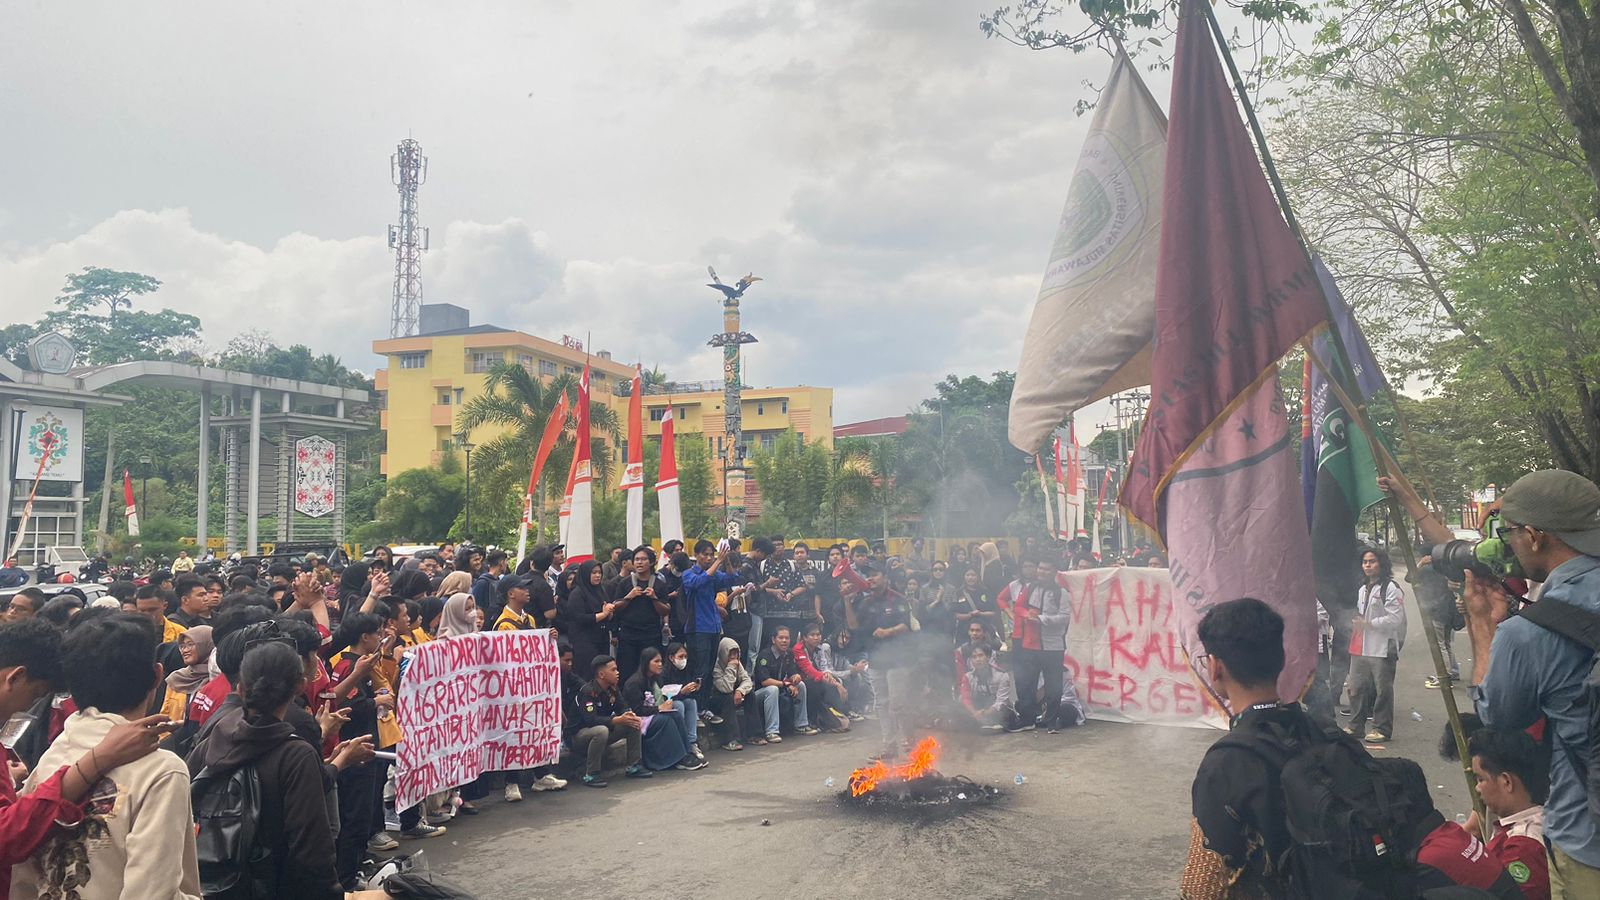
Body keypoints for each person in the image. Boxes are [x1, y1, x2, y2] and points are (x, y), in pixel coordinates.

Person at [10, 613, 200, 900]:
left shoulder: (57, 751)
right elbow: (151, 892)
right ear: (158, 676)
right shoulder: (161, 770)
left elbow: (21, 875)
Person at [184, 642, 350, 900]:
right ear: (300, 686)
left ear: (239, 688)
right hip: (274, 887)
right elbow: (312, 850)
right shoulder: (296, 755)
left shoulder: (211, 742)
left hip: (210, 884)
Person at [1181, 597, 1310, 898]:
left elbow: (1202, 886)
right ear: (1280, 660)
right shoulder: (1319, 731)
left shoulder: (1227, 763)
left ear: (1215, 668)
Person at [1466, 728, 1551, 900]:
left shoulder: (1523, 848)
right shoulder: (1544, 818)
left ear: (1506, 782)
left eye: (1481, 779)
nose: (1477, 788)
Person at [850, 566, 912, 761]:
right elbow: (853, 626)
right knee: (881, 703)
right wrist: (846, 601)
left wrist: (888, 632)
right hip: (876, 659)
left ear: (884, 576)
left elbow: (906, 626)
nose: (871, 578)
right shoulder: (865, 602)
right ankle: (889, 744)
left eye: (875, 574)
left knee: (898, 703)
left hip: (898, 658)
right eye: (868, 576)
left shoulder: (897, 599)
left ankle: (909, 741)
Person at [1346, 546, 1406, 743]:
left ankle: (1382, 728)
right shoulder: (1362, 589)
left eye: (1372, 561)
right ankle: (1356, 726)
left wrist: (1369, 624)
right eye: (1365, 562)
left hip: (1383, 646)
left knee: (1383, 690)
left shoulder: (1390, 588)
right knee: (1356, 687)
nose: (1368, 565)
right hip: (1361, 645)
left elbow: (1395, 618)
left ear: (1381, 563)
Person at [622, 647, 705, 771]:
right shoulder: (634, 683)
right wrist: (659, 708)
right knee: (665, 720)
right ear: (646, 662)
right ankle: (678, 758)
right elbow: (637, 710)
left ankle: (687, 752)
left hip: (653, 713)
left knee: (676, 714)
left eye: (661, 661)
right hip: (641, 719)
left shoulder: (654, 680)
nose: (660, 664)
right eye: (656, 661)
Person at [573, 655, 650, 787]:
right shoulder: (588, 692)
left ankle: (634, 766)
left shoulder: (612, 689)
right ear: (601, 674)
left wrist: (629, 715)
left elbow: (622, 707)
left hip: (603, 732)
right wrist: (617, 719)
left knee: (632, 722)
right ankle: (591, 774)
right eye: (613, 670)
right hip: (579, 736)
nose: (617, 673)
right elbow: (591, 720)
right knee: (601, 731)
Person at [681, 541, 740, 707]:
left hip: (714, 627)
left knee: (709, 670)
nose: (708, 558)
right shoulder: (689, 573)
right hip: (697, 628)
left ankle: (704, 706)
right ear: (697, 555)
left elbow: (731, 579)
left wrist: (727, 560)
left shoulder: (715, 573)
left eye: (711, 554)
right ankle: (695, 706)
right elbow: (698, 582)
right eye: (705, 554)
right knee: (699, 669)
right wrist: (717, 562)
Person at [610, 546, 671, 683]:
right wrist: (629, 597)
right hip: (628, 636)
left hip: (651, 635)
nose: (639, 562)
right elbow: (615, 606)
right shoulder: (625, 583)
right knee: (626, 671)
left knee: (650, 672)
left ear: (651, 562)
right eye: (636, 559)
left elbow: (666, 610)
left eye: (643, 559)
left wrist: (654, 598)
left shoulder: (660, 584)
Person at [751, 625, 816, 741]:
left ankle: (801, 725)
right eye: (781, 638)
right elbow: (765, 681)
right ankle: (771, 731)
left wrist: (796, 677)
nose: (784, 641)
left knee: (800, 685)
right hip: (760, 695)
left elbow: (792, 674)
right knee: (772, 689)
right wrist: (787, 684)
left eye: (787, 638)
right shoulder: (764, 655)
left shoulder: (789, 654)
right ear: (773, 640)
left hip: (780, 689)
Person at [562, 561, 616, 680]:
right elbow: (580, 618)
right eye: (594, 573)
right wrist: (604, 614)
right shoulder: (577, 593)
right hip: (584, 640)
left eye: (599, 573)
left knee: (602, 674)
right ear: (585, 574)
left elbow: (606, 615)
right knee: (588, 674)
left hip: (601, 637)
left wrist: (609, 613)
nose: (598, 576)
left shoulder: (601, 590)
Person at [791, 621, 848, 733]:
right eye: (812, 635)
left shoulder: (820, 648)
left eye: (818, 635)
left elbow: (824, 666)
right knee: (814, 686)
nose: (816, 638)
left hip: (816, 677)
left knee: (835, 681)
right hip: (801, 679)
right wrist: (833, 682)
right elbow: (809, 670)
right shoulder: (798, 649)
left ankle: (838, 713)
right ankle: (812, 720)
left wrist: (829, 677)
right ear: (805, 638)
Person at [658, 641, 710, 760]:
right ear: (671, 658)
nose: (684, 660)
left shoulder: (686, 670)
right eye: (680, 657)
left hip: (684, 699)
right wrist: (681, 692)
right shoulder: (664, 673)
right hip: (667, 704)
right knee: (679, 705)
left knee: (691, 702)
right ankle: (679, 743)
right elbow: (665, 696)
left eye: (685, 657)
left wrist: (695, 688)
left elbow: (690, 696)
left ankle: (692, 742)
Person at [160, 625, 213, 723]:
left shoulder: (216, 679)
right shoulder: (177, 678)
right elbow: (164, 715)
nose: (184, 650)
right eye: (182, 646)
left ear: (206, 645)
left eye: (190, 644)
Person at [959, 642, 1017, 732]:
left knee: (1006, 712)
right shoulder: (967, 677)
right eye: (974, 657)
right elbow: (965, 698)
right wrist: (975, 713)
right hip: (977, 709)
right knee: (958, 708)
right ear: (971, 660)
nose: (978, 659)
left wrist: (985, 713)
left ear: (988, 657)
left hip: (994, 710)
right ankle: (984, 725)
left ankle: (989, 724)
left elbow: (1001, 701)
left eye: (981, 655)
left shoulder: (1002, 675)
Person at [709, 636, 754, 751]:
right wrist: (730, 668)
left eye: (736, 654)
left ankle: (755, 734)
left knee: (750, 694)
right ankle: (731, 740)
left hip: (733, 694)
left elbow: (747, 680)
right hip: (717, 699)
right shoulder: (716, 667)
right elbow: (726, 687)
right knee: (727, 697)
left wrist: (740, 691)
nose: (734, 658)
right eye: (730, 654)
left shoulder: (737, 663)